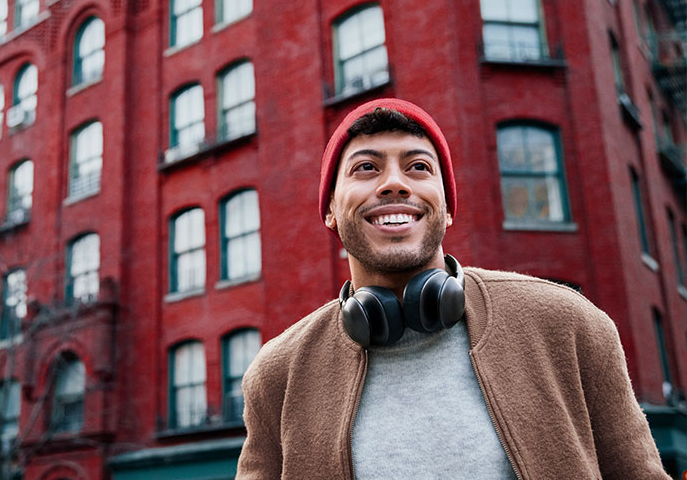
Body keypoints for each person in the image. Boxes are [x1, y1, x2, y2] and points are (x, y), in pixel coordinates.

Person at [236, 98, 669, 479]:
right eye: (366, 167)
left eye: (418, 167)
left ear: (447, 209)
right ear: (330, 209)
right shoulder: (277, 375)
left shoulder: (570, 325)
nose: (394, 183)